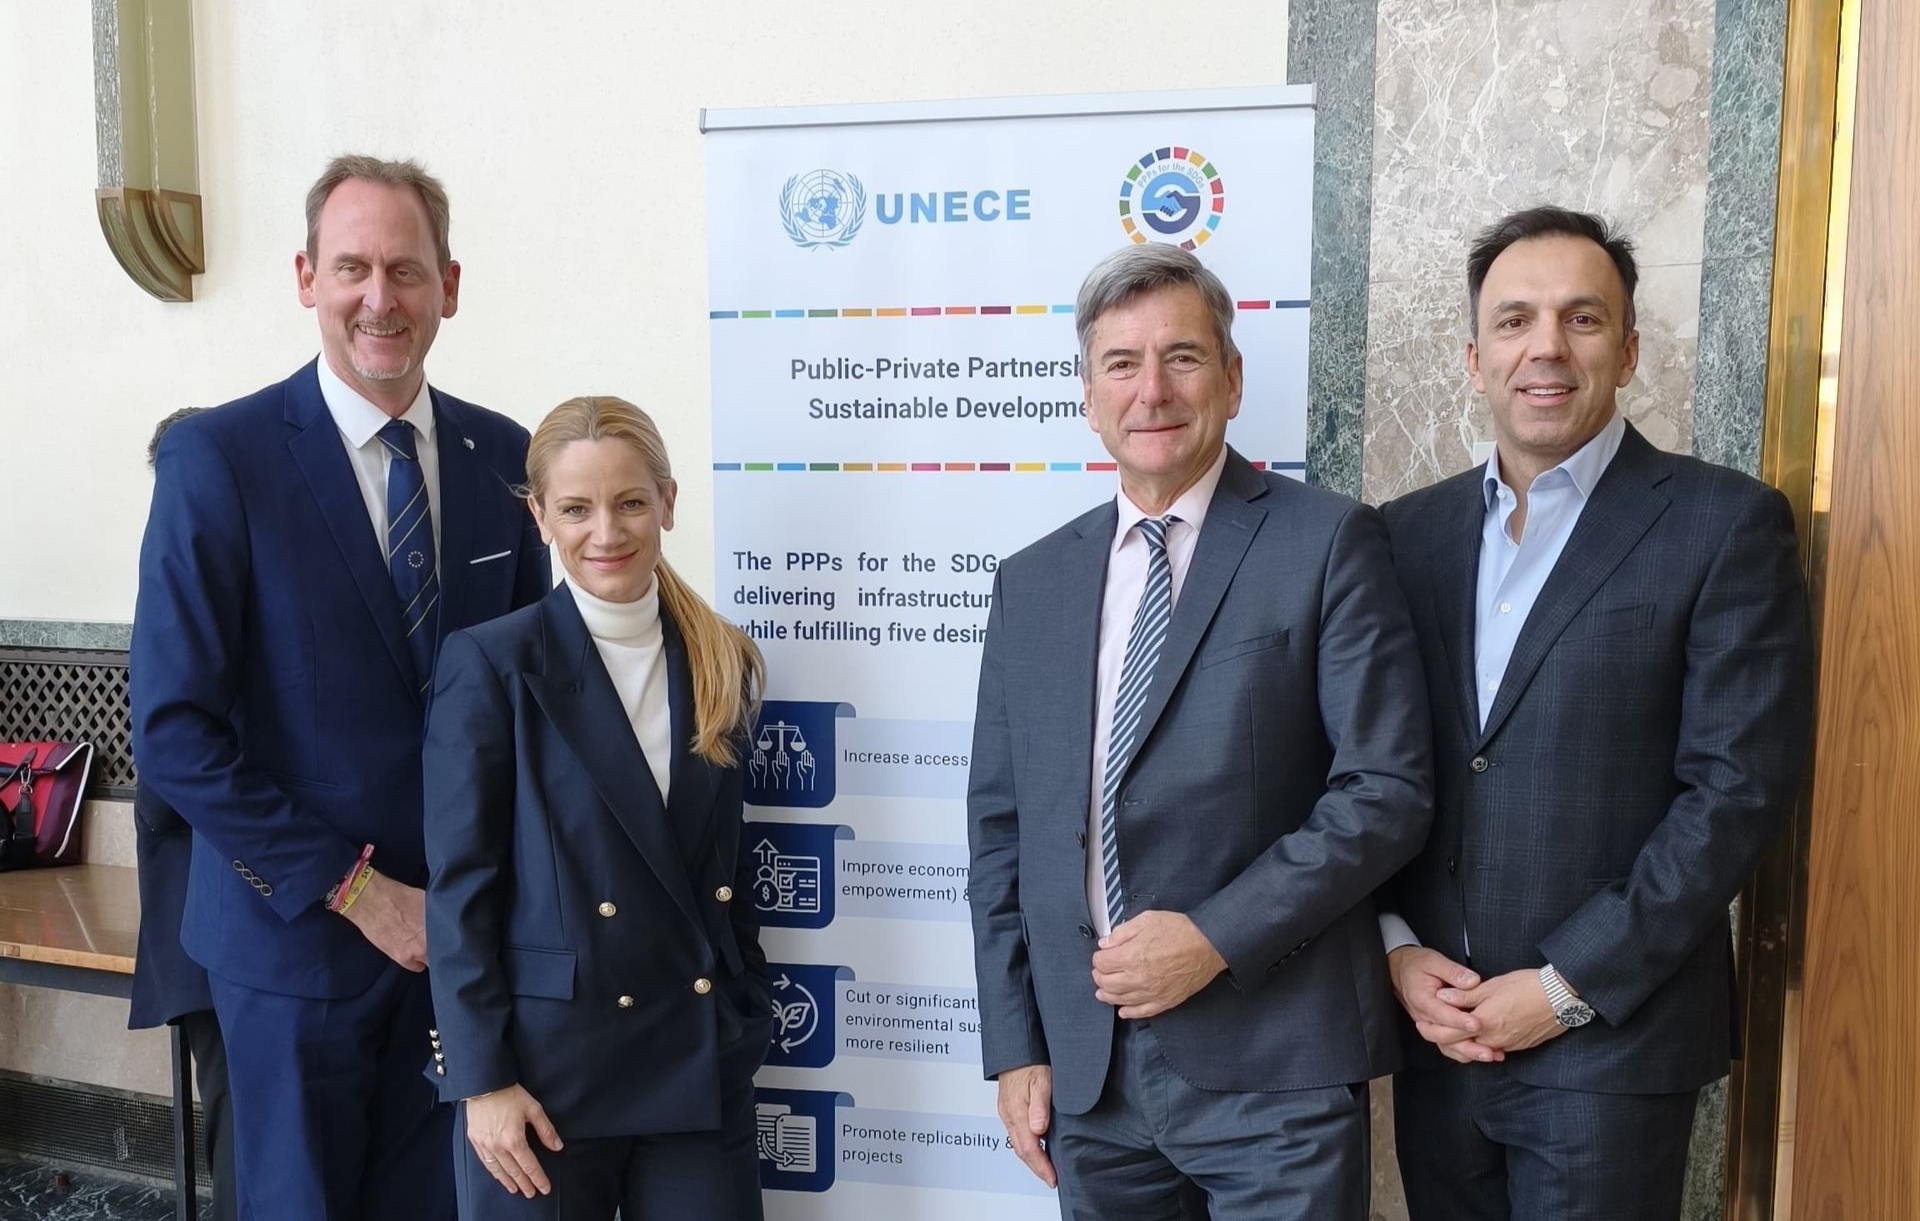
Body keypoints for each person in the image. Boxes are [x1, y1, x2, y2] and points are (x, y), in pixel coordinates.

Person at [966, 243, 1434, 1219]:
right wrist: (1016, 1046)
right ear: (1088, 395)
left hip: (1276, 1067)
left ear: (1231, 377)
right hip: (1092, 1078)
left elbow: (1385, 791)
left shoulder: (1328, 541)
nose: (1152, 390)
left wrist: (1214, 938)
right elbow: (1003, 835)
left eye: (1182, 356)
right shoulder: (1031, 582)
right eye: (1121, 364)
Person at [130, 154, 549, 1221]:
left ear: (449, 286)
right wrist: (360, 893)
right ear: (306, 277)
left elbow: (528, 708)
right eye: (353, 268)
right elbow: (174, 734)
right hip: (292, 957)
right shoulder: (218, 460)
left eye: (405, 270)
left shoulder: (505, 459)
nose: (379, 298)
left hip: (458, 957)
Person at [1377, 206, 1814, 1220]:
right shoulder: (1403, 535)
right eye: (1515, 319)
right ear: (1474, 358)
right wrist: (1394, 948)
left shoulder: (1724, 523)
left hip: (1613, 1042)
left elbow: (1737, 792)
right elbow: (1375, 764)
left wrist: (1563, 986)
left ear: (1627, 352)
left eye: (1582, 319)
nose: (1547, 347)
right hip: (1438, 1034)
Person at [422, 395, 771, 1220]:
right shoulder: (492, 664)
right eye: (577, 508)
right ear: (540, 517)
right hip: (541, 1079)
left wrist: (744, 1007)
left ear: (669, 503)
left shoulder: (721, 658)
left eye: (631, 502)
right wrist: (481, 1079)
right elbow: (461, 893)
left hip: (695, 1059)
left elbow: (726, 867)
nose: (606, 531)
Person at [127, 407, 236, 1221]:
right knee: (241, 1133)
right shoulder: (181, 591)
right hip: (209, 910)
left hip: (230, 913)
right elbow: (164, 779)